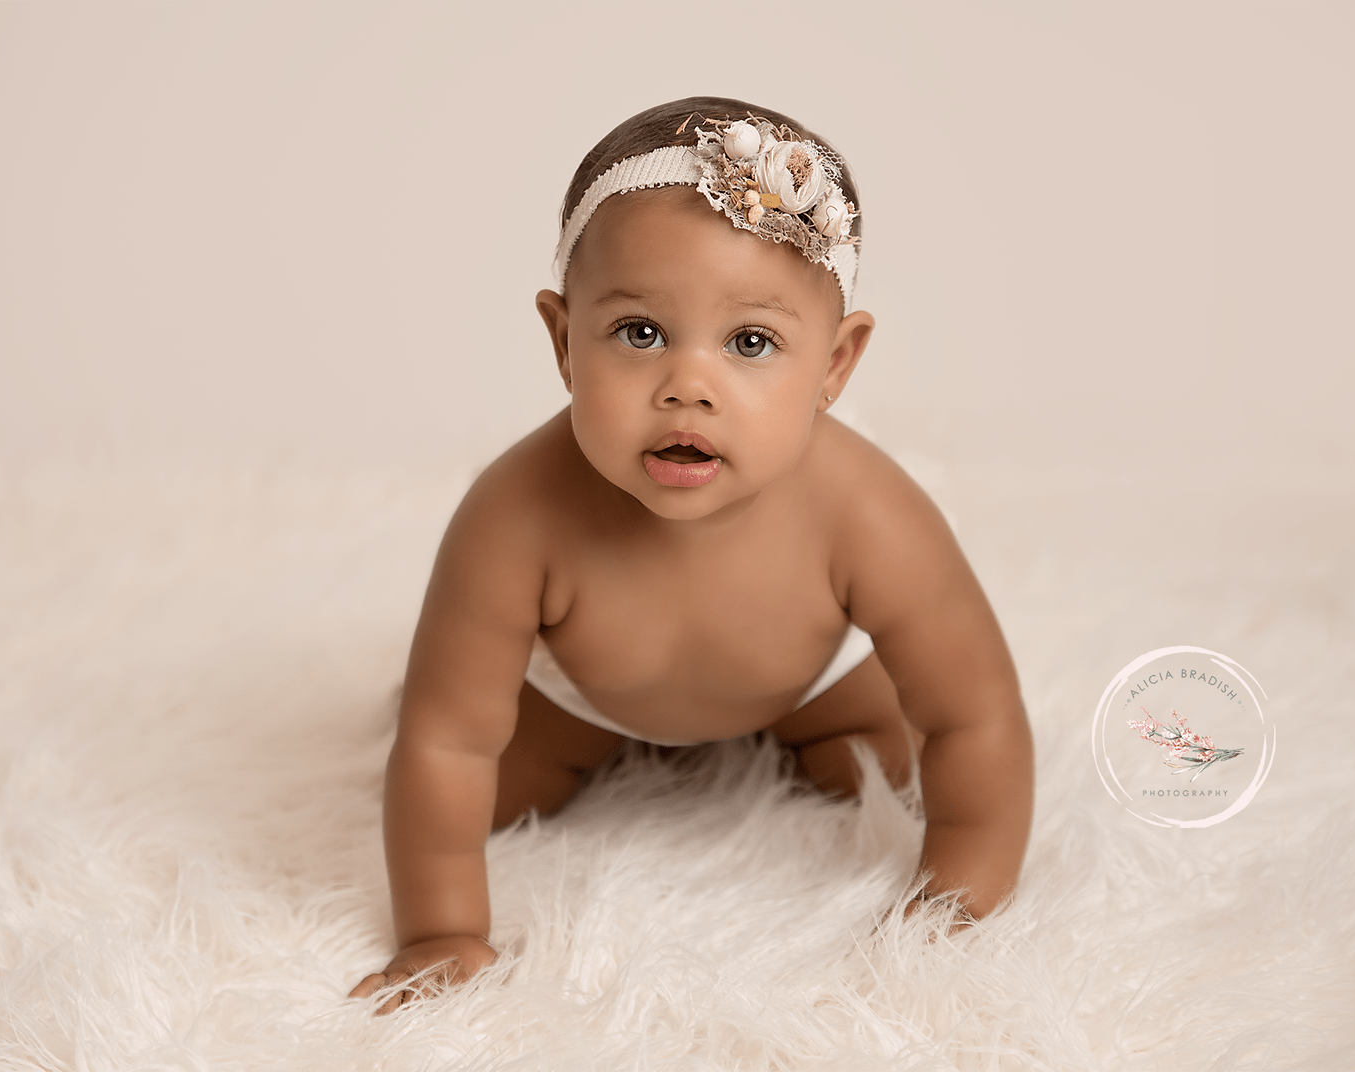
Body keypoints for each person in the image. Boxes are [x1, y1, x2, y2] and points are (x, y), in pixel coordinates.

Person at [351, 96, 1033, 1013]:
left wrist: (960, 898)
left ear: (835, 366)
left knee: (891, 765)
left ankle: (801, 738)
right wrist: (440, 930)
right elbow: (447, 739)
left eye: (751, 342)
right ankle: (601, 751)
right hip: (585, 695)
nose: (688, 387)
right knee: (465, 782)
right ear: (564, 341)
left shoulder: (866, 511)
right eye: (640, 333)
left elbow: (974, 713)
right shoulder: (514, 518)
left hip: (805, 686)